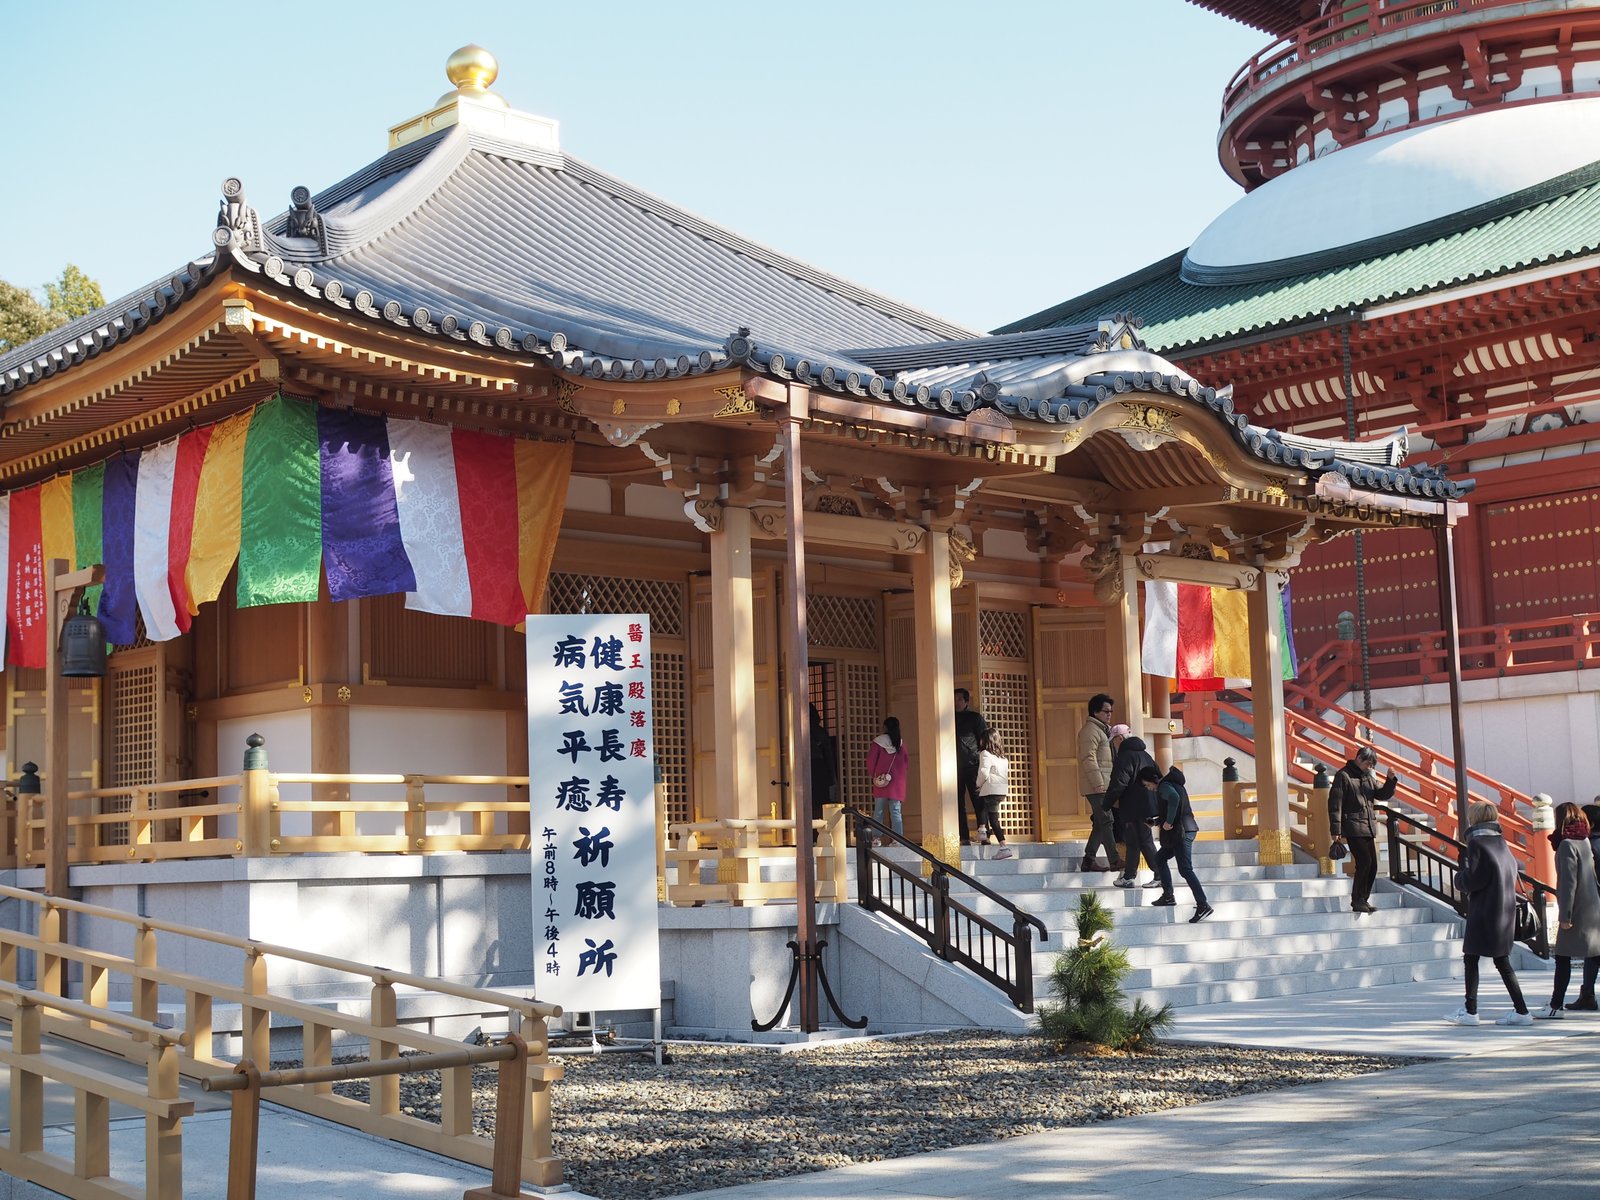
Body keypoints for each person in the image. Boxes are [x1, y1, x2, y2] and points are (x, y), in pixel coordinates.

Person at [1444, 800, 1534, 1026]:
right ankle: (1521, 1011)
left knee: (1472, 958)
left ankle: (1471, 1011)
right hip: (1504, 910)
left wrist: (1459, 877)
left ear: (1474, 819)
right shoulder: (1501, 842)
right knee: (1501, 961)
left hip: (1484, 911)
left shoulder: (1476, 844)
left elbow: (1474, 879)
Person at [1531, 802, 1600, 1019]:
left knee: (1562, 957)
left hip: (1577, 910)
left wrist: (1565, 915)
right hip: (1593, 907)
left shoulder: (1567, 845)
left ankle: (1555, 1006)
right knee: (1594, 954)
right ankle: (1559, 1004)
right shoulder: (1585, 842)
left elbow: (1568, 883)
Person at [1327, 746, 1397, 914]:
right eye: (1367, 763)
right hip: (1352, 826)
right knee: (1364, 862)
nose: (1369, 767)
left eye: (1372, 765)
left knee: (1373, 865)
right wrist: (1335, 829)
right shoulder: (1343, 775)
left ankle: (1363, 899)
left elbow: (1381, 794)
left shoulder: (1368, 777)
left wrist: (1390, 780)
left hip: (1367, 826)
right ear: (1358, 758)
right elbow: (1335, 804)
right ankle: (1357, 899)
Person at [1108, 735, 1169, 897]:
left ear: (1120, 740)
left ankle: (1159, 874)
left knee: (1144, 841)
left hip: (1133, 806)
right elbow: (1159, 776)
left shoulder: (1125, 757)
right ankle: (1129, 876)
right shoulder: (1146, 755)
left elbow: (1119, 782)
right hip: (1148, 804)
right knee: (1134, 841)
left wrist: (1107, 803)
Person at [1155, 763, 1213, 922]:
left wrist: (1168, 821)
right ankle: (1168, 896)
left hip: (1182, 833)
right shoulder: (1175, 784)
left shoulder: (1164, 786)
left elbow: (1174, 799)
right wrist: (1157, 822)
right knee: (1159, 858)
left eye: (1147, 785)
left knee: (1185, 869)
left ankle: (1203, 904)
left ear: (1152, 781)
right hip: (1185, 830)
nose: (1149, 789)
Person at [1075, 693, 1121, 872]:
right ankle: (1115, 860)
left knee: (1101, 822)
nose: (1109, 714)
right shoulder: (1090, 731)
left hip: (1104, 783)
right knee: (1107, 819)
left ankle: (1089, 859)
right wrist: (1098, 783)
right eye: (1105, 711)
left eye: (1111, 711)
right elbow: (1088, 758)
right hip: (1097, 785)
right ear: (1095, 712)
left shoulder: (1102, 730)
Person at [953, 688, 990, 847]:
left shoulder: (975, 718)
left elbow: (984, 740)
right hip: (952, 766)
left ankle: (984, 834)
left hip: (973, 765)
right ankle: (963, 837)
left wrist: (982, 761)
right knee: (957, 803)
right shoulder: (947, 717)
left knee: (979, 800)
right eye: (954, 699)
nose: (956, 702)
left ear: (966, 701)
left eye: (960, 699)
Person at [1574, 800, 1600, 1010]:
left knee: (1593, 951)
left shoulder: (1590, 845)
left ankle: (1588, 994)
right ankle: (1587, 994)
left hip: (1595, 903)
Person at [867, 716, 908, 845]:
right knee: (896, 811)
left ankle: (876, 838)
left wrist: (874, 775)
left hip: (882, 780)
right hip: (897, 783)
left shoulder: (878, 742)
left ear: (885, 727)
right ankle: (898, 839)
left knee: (878, 811)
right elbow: (906, 764)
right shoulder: (900, 743)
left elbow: (871, 761)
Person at [973, 730, 1014, 860]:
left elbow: (983, 772)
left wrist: (978, 784)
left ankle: (1003, 846)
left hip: (990, 789)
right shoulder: (1003, 757)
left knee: (994, 819)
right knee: (983, 804)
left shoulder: (985, 754)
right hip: (1000, 791)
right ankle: (982, 830)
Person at [807, 703, 838, 822]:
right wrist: (832, 778)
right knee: (820, 804)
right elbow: (829, 756)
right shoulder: (821, 732)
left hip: (805, 768)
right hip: (821, 769)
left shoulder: (797, 731)